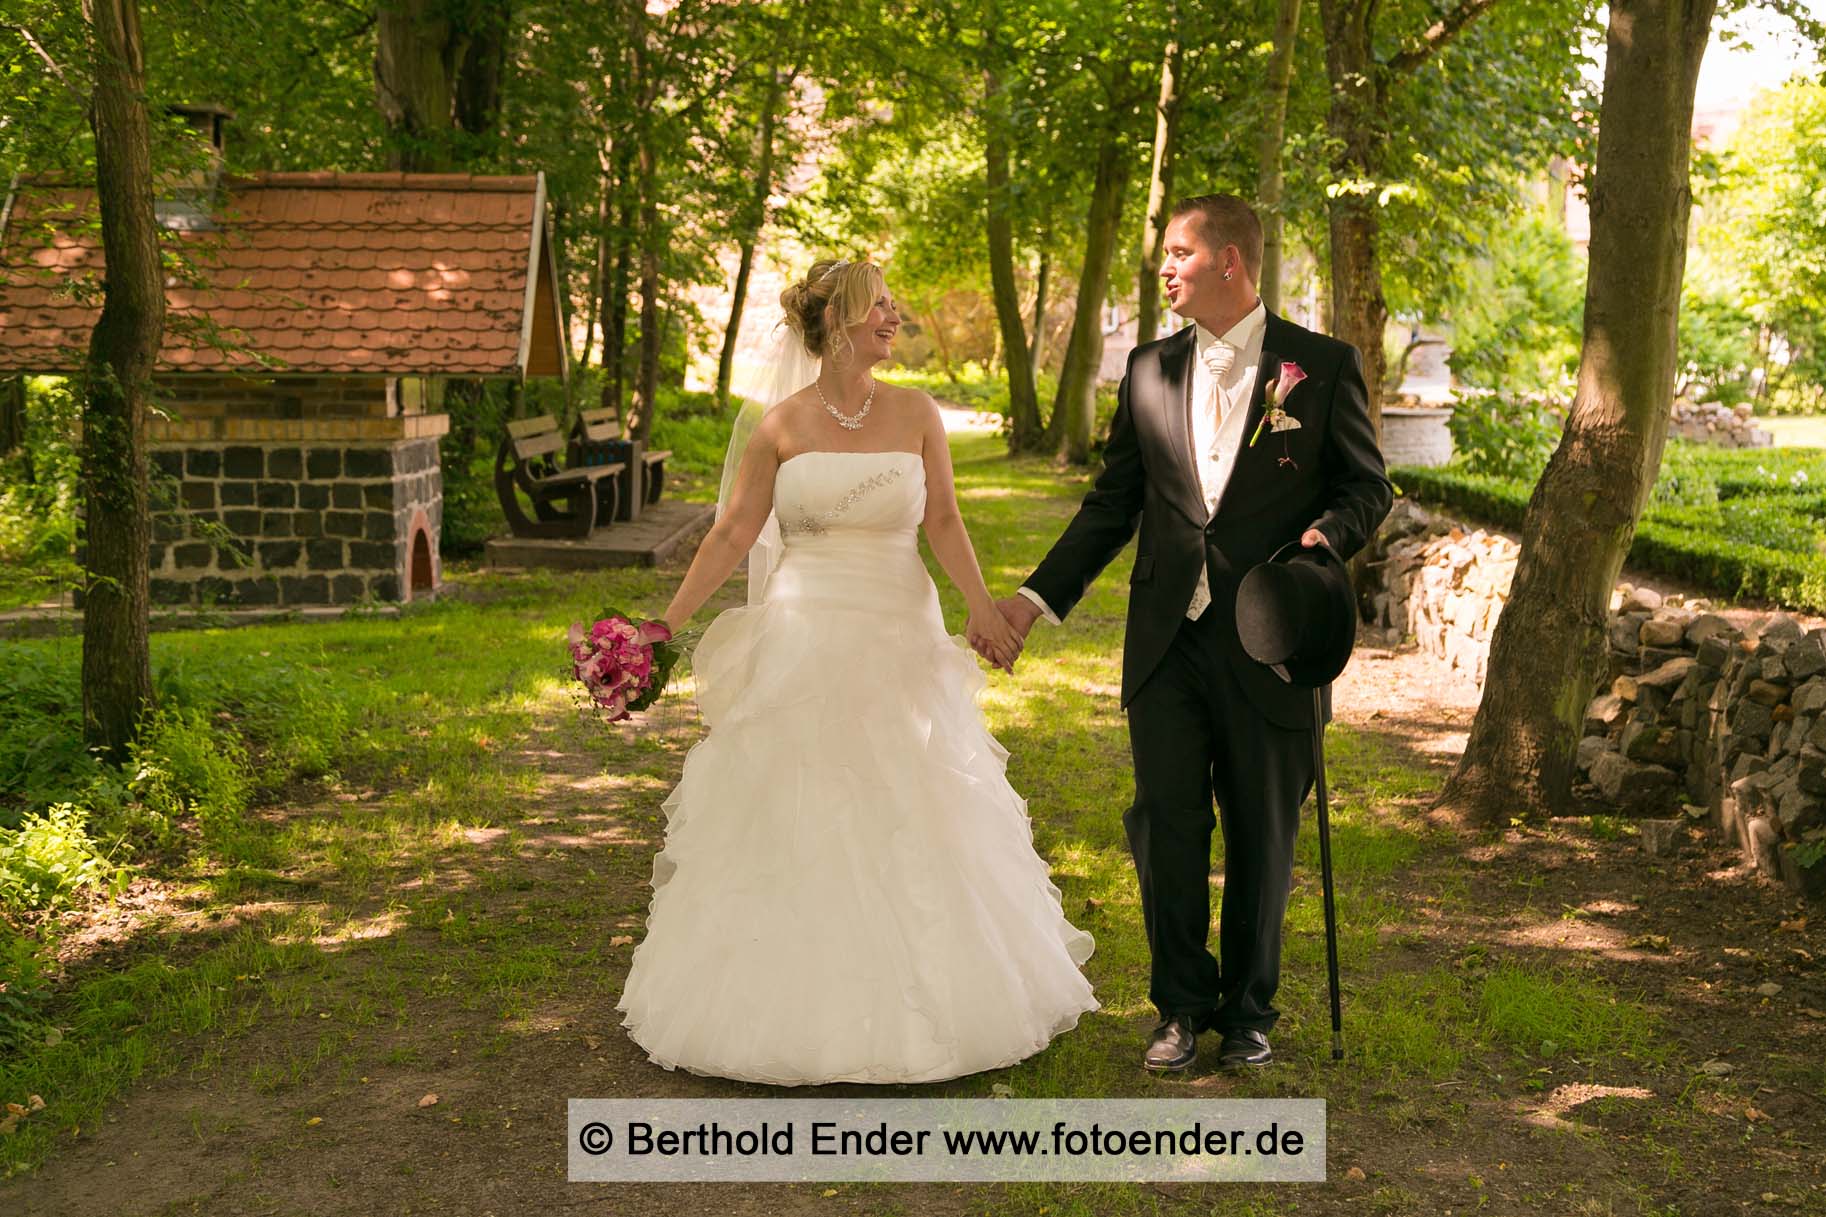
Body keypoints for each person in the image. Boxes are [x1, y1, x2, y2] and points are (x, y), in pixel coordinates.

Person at [614, 258, 1099, 1086]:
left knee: (916, 797)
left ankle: (938, 999)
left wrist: (981, 608)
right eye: (881, 304)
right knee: (796, 800)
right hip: (803, 633)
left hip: (898, 628)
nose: (894, 316)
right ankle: (784, 1003)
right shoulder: (780, 427)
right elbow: (732, 534)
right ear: (837, 319)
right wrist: (666, 624)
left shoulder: (917, 413)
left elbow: (942, 518)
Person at [990, 195, 1392, 1073]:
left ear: (1231, 264)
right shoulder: (1145, 370)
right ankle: (1178, 1005)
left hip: (1273, 636)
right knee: (1167, 826)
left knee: (1263, 830)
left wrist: (1330, 535)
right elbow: (1111, 506)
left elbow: (1369, 485)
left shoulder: (1319, 367)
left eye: (1179, 252)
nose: (1164, 266)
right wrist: (1031, 601)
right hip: (1168, 639)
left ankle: (1249, 1011)